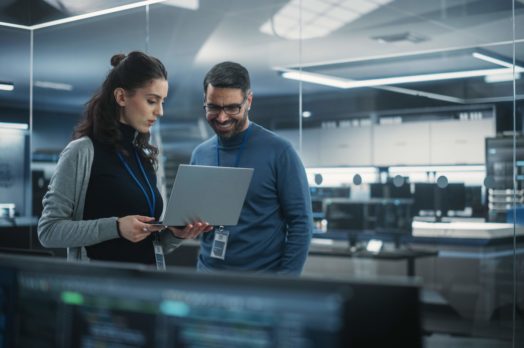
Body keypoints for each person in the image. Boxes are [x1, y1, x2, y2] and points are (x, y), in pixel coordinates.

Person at [38, 51, 212, 265]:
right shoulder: (81, 152)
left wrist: (176, 234)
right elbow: (49, 231)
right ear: (121, 97)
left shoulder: (144, 157)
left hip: (147, 288)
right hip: (99, 291)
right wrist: (117, 227)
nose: (160, 112)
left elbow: (152, 245)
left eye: (162, 102)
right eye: (151, 101)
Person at [190, 61, 313, 276]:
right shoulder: (200, 154)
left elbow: (301, 222)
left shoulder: (280, 152)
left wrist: (285, 281)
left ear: (249, 101)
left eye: (232, 108)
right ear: (205, 101)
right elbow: (192, 218)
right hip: (208, 276)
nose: (221, 117)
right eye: (213, 107)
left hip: (261, 281)